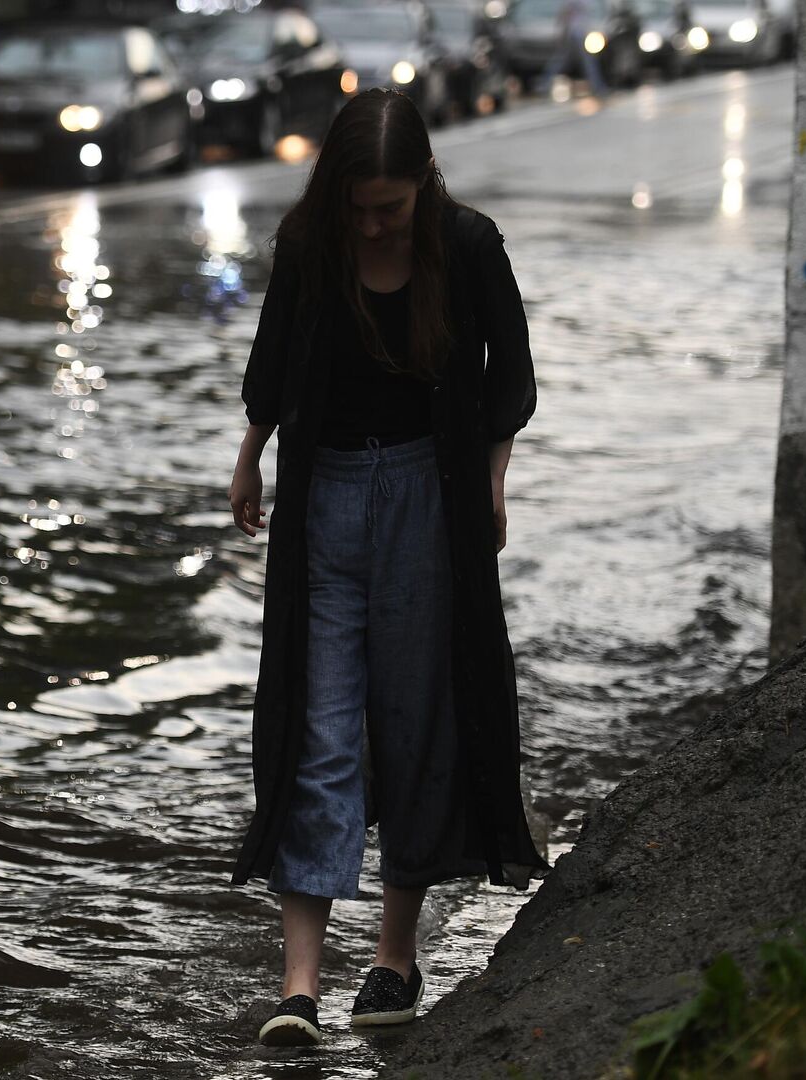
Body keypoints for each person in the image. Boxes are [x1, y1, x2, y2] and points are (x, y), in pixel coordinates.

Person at [226, 86, 551, 1047]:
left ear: (423, 185)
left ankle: (393, 961)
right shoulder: (310, 243)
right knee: (319, 732)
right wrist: (248, 459)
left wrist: (492, 482)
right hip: (322, 501)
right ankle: (298, 989)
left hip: (428, 500)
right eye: (360, 206)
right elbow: (273, 363)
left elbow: (512, 380)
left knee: (413, 722)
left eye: (390, 207)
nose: (373, 224)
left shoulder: (468, 244)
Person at [538, 0, 609, 97]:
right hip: (576, 32)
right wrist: (562, 31)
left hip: (580, 31)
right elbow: (565, 13)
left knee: (562, 60)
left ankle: (545, 83)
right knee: (588, 61)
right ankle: (597, 86)